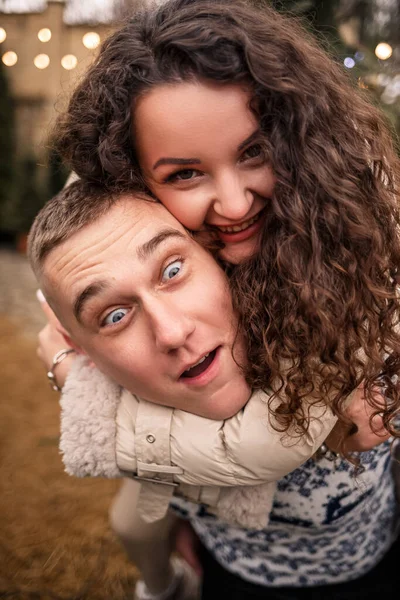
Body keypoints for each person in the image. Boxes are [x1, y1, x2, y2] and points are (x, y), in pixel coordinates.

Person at [38, 0, 400, 597]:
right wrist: (70, 362)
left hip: (358, 554)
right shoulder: (124, 242)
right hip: (229, 562)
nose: (233, 204)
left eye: (255, 152)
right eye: (185, 174)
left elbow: (264, 445)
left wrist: (77, 380)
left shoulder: (358, 244)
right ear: (131, 178)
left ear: (298, 136)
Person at [29, 181, 344, 599]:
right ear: (85, 353)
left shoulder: (340, 338)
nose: (172, 332)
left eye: (172, 271)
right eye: (116, 315)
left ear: (219, 256)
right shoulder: (111, 395)